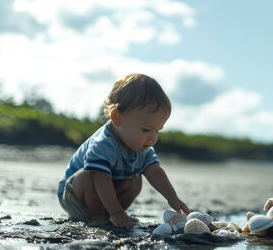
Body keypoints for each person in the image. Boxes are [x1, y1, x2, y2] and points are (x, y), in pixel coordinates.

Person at [57, 73, 189, 228]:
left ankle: (111, 214)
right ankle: (99, 216)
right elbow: (100, 179)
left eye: (157, 130)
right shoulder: (103, 144)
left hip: (107, 197)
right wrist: (116, 212)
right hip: (75, 198)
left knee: (135, 180)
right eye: (146, 130)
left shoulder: (142, 148)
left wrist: (172, 197)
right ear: (117, 118)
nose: (152, 138)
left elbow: (154, 172)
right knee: (89, 175)